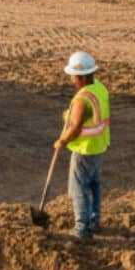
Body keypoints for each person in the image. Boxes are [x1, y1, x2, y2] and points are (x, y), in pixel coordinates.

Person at [53, 51, 110, 241]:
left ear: (82, 76)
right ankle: (94, 221)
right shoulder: (99, 88)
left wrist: (63, 140)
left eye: (73, 75)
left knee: (77, 187)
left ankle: (81, 228)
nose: (71, 78)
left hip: (84, 149)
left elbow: (76, 127)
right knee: (93, 184)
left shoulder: (81, 99)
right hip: (99, 145)